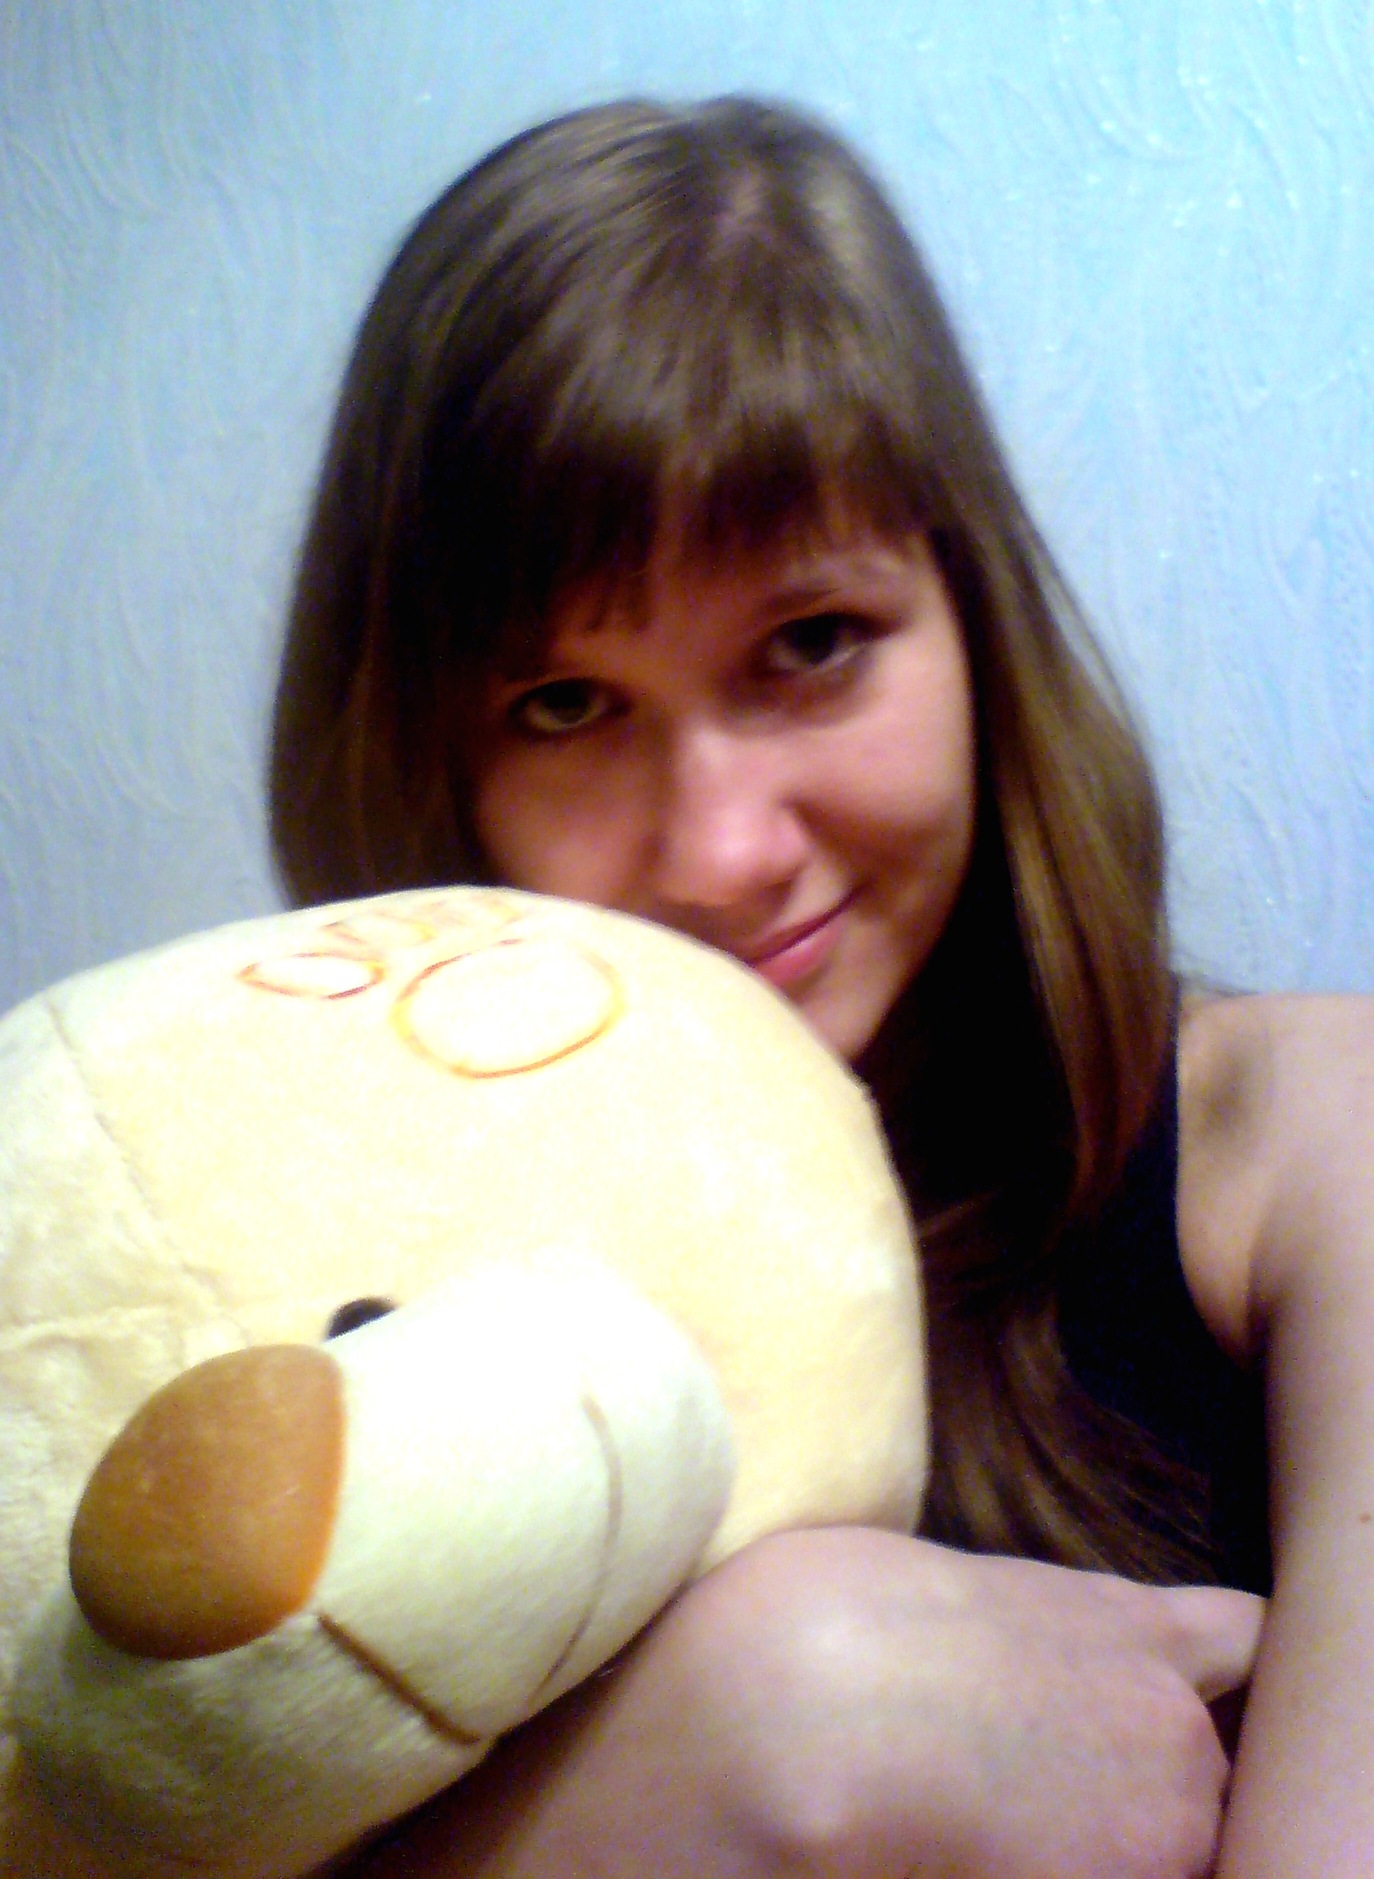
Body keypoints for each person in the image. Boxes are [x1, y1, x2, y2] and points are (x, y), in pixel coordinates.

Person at [268, 97, 1374, 1877]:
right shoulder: (340, 1287)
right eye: (564, 704)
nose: (719, 851)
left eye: (809, 644)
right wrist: (662, 1774)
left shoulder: (1312, 1149)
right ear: (432, 762)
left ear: (974, 627)